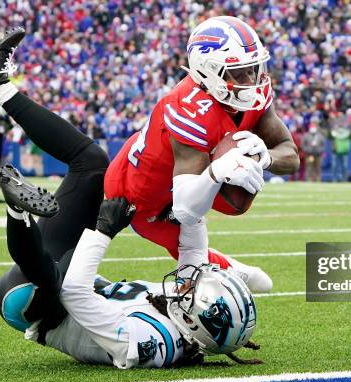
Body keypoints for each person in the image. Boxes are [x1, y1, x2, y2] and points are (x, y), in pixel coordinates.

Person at [0, 28, 258, 369]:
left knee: (47, 278)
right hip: (66, 266)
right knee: (91, 163)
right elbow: (192, 254)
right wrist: (193, 198)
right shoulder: (188, 319)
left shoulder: (151, 343)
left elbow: (75, 294)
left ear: (193, 323)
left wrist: (104, 230)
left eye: (193, 295)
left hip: (36, 305)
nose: (187, 286)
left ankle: (17, 212)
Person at [104, 16, 299, 292]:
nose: (251, 79)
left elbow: (290, 153)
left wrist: (266, 157)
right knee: (197, 268)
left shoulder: (254, 91)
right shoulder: (187, 107)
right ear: (209, 71)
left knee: (232, 251)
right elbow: (185, 208)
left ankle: (220, 269)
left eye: (254, 68)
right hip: (143, 195)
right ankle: (225, 269)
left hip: (188, 174)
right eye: (240, 72)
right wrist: (218, 171)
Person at [329, 111, 351, 182]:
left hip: (344, 150)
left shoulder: (348, 127)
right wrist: (333, 147)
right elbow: (330, 137)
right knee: (334, 166)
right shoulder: (333, 127)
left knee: (344, 166)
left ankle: (344, 180)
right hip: (335, 150)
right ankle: (334, 179)